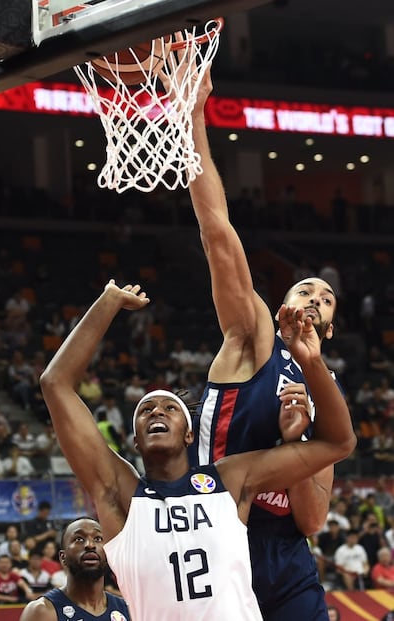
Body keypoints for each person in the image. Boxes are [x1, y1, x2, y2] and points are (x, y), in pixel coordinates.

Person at [39, 280, 355, 620]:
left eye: (170, 408)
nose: (157, 411)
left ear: (191, 435)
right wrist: (108, 301)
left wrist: (309, 369)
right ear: (135, 441)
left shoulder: (228, 480)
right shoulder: (123, 496)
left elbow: (339, 443)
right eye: (145, 410)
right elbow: (54, 384)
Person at [186, 65, 341, 619]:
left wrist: (293, 450)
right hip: (216, 536)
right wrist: (193, 117)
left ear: (328, 327)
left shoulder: (326, 394)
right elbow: (218, 233)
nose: (316, 296)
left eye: (326, 298)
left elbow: (311, 521)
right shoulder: (253, 334)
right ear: (283, 308)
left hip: (286, 559)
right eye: (305, 288)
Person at [19, 517, 130, 620]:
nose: (90, 545)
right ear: (63, 557)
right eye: (79, 539)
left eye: (98, 538)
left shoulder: (127, 611)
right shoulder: (41, 611)